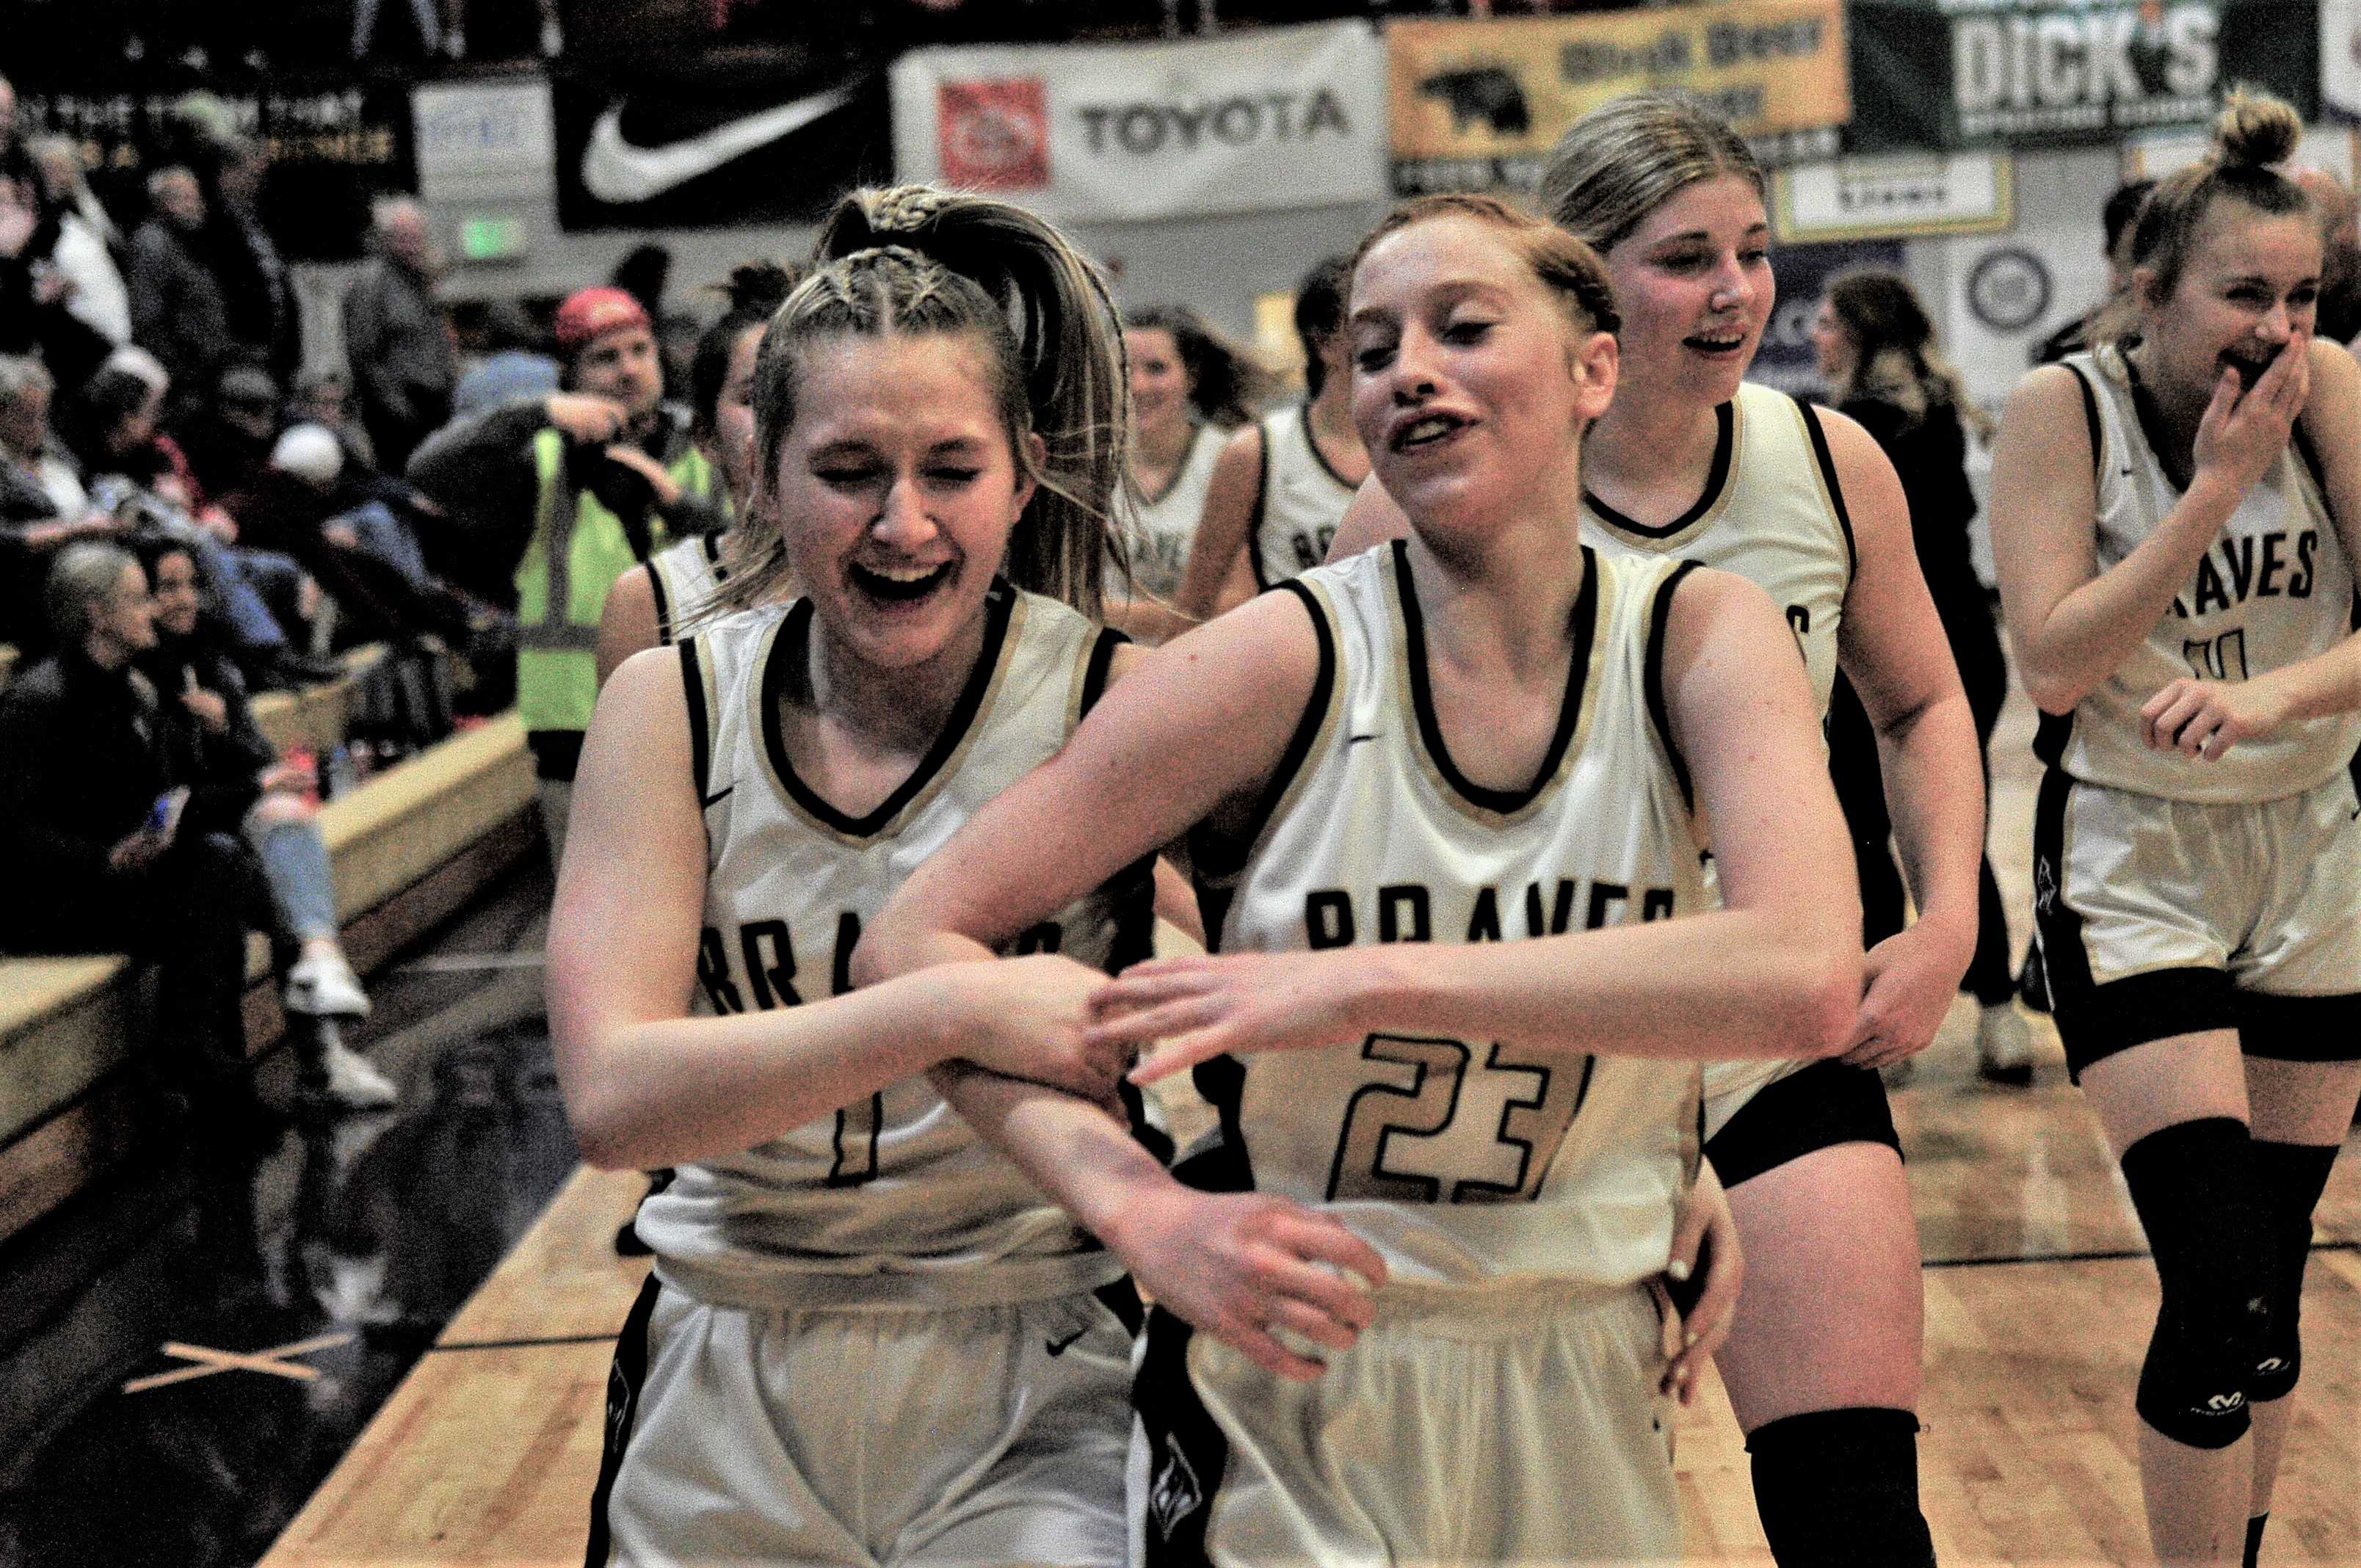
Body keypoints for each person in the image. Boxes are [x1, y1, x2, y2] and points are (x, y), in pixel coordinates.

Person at [858, 192, 1852, 1564]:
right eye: (1371, 348)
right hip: (1299, 1367)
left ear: (1592, 368)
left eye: (1461, 327)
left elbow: (1806, 977)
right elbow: (913, 944)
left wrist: (1394, 995)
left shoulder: (1702, 629)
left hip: (1585, 1344)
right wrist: (1142, 1214)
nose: (1407, 372)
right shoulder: (1277, 658)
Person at [1323, 91, 1985, 1567]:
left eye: (1754, 250)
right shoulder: (1412, 505)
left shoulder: (1826, 462)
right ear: (1585, 294)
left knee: (1860, 1514)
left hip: (1763, 1036)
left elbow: (1926, 705)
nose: (1738, 289)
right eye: (1689, 257)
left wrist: (1945, 921)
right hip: (1524, 1055)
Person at [547, 184, 1172, 1565]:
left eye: (951, 470)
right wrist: (949, 1010)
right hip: (725, 1358)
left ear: (1028, 466)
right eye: (848, 472)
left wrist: (1644, 1153)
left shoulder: (1119, 700)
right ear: (761, 471)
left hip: (1039, 1358)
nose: (902, 523)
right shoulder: (670, 702)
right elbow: (610, 1096)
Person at [1987, 91, 2361, 1568]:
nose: (2277, 325)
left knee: (2265, 1307)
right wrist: (2211, 492)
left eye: (2302, 293)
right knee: (2216, 1287)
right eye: (2243, 294)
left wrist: (2278, 704)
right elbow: (2055, 661)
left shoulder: (2333, 389)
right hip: (2137, 862)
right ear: (2151, 289)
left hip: (2316, 848)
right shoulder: (2056, 410)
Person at [407, 282, 722, 860]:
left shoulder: (706, 447)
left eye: (639, 351)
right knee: (593, 928)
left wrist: (674, 502)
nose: (628, 371)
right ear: (571, 374)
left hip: (699, 715)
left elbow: (747, 550)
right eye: (605, 358)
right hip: (576, 727)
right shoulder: (543, 460)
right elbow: (427, 470)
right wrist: (539, 411)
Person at [1813, 266, 2034, 1084]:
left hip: (1884, 652)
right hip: (1966, 644)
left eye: (1831, 320)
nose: (1816, 332)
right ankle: (1998, 1016)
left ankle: (1883, 1025)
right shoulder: (1943, 410)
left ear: (1866, 333)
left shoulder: (1848, 430)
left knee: (1872, 836)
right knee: (1950, 830)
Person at [0, 543, 287, 1143]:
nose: (152, 613)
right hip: (56, 898)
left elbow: (172, 796)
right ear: (96, 614)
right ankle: (211, 1077)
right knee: (215, 891)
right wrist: (101, 859)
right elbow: (11, 832)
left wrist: (251, 776)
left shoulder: (134, 689)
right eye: (136, 600)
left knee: (219, 868)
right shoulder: (38, 702)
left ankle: (210, 1074)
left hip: (126, 877)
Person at [132, 534, 396, 1108]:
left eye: (189, 586)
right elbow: (158, 804)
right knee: (265, 862)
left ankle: (324, 1042)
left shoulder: (213, 662)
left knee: (284, 836)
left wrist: (226, 732)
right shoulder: (132, 682)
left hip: (219, 833)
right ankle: (320, 1048)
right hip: (171, 851)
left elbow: (258, 764)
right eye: (164, 589)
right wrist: (234, 770)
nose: (183, 601)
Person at [594, 261, 798, 685]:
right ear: (706, 437)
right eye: (755, 397)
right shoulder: (648, 601)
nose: (782, 418)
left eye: (803, 392)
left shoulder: (890, 572)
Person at [1178, 255, 1368, 622]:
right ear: (1324, 342)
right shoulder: (1258, 451)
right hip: (1314, 670)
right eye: (1369, 323)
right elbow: (1192, 609)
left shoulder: (1423, 436)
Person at [1102, 304, 1268, 644]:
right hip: (1107, 664)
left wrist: (1112, 614)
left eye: (1156, 369)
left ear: (1191, 377)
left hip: (1202, 660)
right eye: (1123, 368)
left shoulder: (1230, 458)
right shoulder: (1088, 464)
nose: (1138, 385)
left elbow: (1236, 603)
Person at [341, 197, 457, 473]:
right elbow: (363, 354)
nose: (412, 245)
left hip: (434, 404)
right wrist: (397, 408)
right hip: (399, 409)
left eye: (417, 238)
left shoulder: (419, 279)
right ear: (385, 239)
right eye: (402, 238)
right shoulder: (371, 284)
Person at [127, 167, 238, 409]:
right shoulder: (153, 243)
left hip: (203, 371)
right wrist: (181, 369)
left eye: (196, 198)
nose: (196, 206)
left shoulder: (187, 243)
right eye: (185, 198)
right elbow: (147, 317)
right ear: (162, 202)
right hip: (181, 378)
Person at [2034, 178, 2157, 367]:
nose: (2152, 266)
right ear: (2110, 252)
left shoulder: (2195, 333)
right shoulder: (2067, 349)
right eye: (2138, 251)